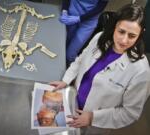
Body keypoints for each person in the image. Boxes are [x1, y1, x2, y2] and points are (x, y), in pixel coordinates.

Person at [50, 4, 150, 135]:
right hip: (72, 102)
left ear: (140, 34)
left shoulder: (140, 70)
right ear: (114, 26)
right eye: (121, 31)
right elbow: (80, 60)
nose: (124, 40)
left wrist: (92, 117)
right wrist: (65, 80)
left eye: (132, 36)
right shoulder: (100, 38)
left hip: (95, 124)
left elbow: (130, 112)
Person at [59, 0, 109, 65]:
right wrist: (64, 10)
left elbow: (100, 7)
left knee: (70, 54)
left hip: (89, 21)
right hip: (71, 14)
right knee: (62, 45)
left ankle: (68, 69)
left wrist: (80, 18)